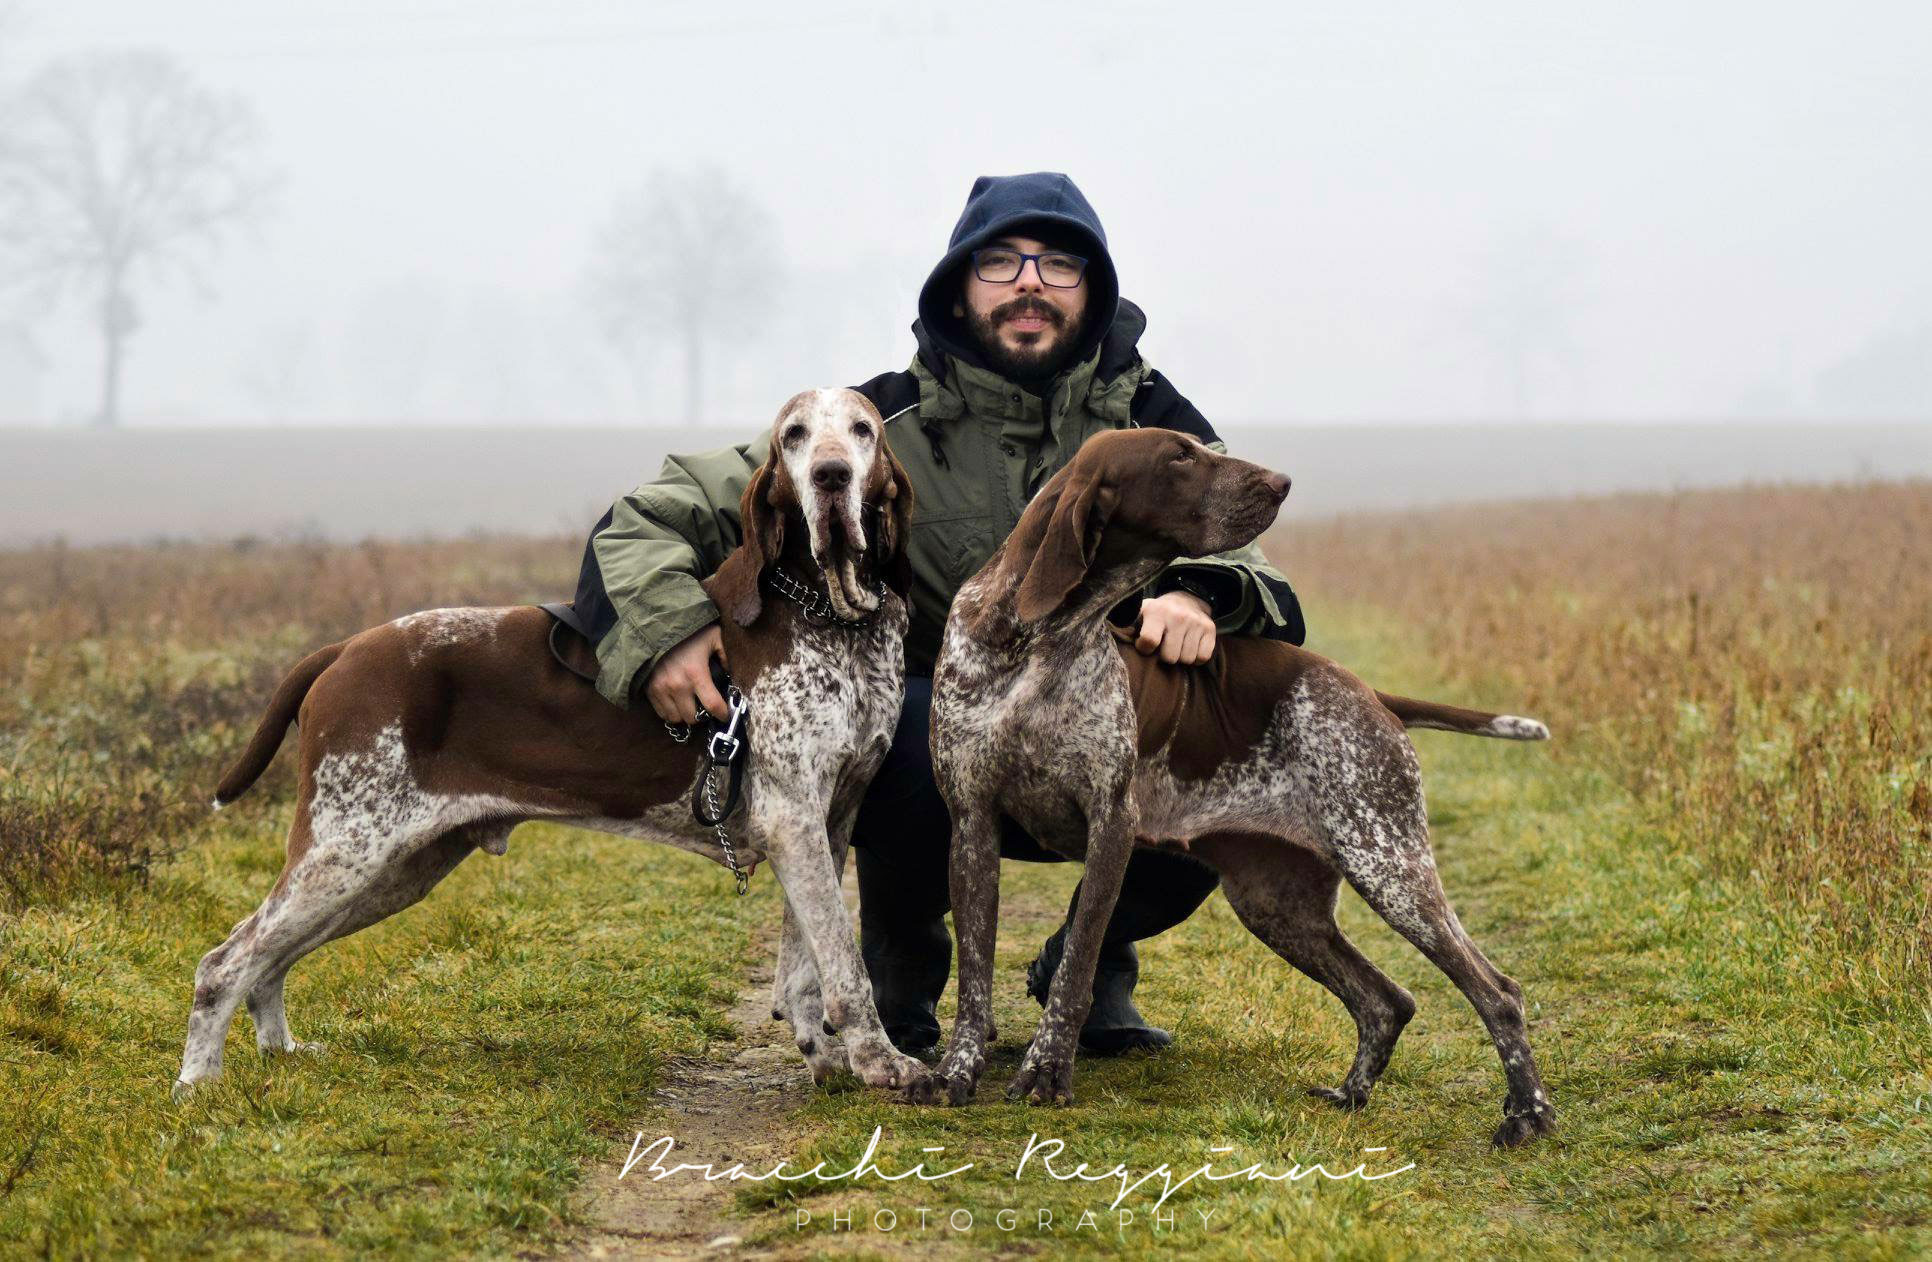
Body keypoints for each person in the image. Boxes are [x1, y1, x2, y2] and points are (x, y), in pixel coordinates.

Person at [568, 172, 1306, 1056]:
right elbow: (654, 515)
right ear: (958, 286)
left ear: (1095, 290)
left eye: (1060, 265)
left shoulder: (1148, 419)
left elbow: (1241, 544)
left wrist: (1203, 592)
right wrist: (665, 634)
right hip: (933, 740)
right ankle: (900, 976)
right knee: (906, 728)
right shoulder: (879, 422)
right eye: (1000, 262)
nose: (1029, 282)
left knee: (1211, 763)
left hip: (1097, 732)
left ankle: (1090, 966)